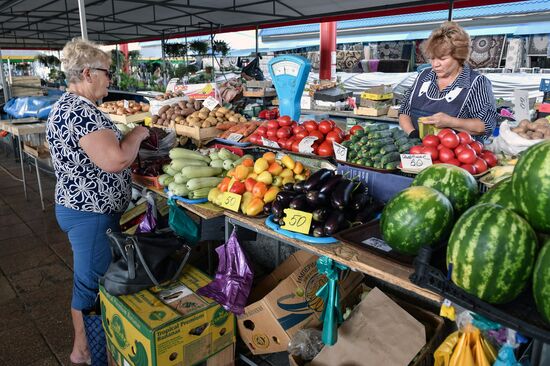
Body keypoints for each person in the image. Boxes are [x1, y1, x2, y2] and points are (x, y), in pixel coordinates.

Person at [46, 38, 150, 365]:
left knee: (89, 278)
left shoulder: (69, 105)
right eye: (107, 72)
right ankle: (85, 350)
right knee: (89, 284)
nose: (110, 80)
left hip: (81, 208)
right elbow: (115, 160)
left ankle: (89, 346)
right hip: (89, 214)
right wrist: (137, 134)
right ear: (88, 73)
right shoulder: (79, 110)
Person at [399, 22, 498, 141]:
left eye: (442, 59)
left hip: (457, 154)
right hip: (420, 151)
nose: (435, 64)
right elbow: (404, 110)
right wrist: (413, 135)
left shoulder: (477, 83)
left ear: (458, 56)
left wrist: (450, 122)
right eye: (432, 58)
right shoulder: (423, 76)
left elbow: (485, 125)